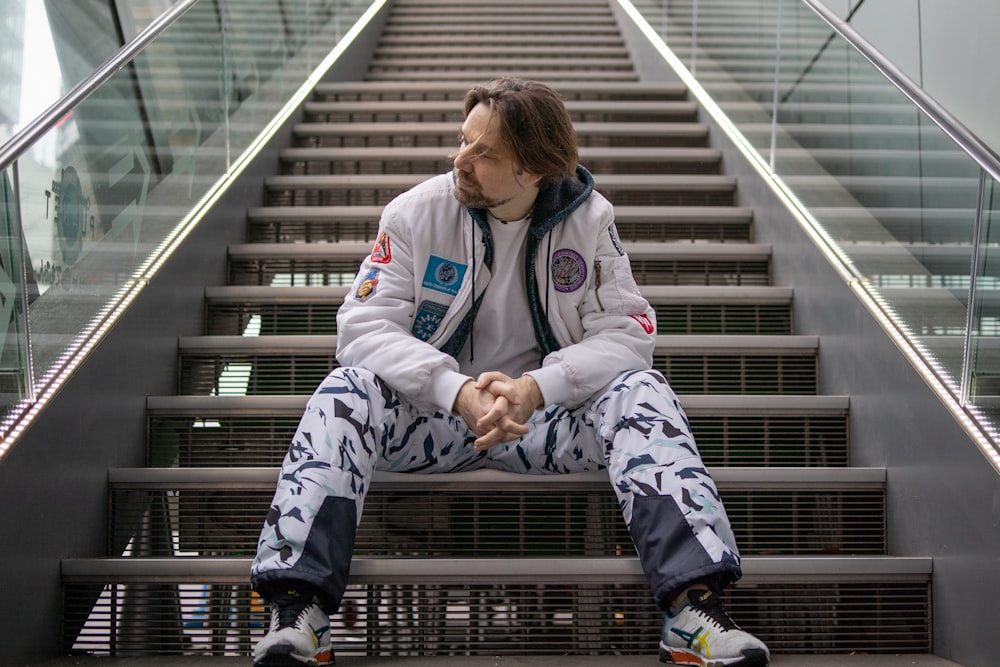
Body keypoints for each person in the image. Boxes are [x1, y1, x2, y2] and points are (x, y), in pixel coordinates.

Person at [250, 77, 770, 667]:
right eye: (462, 141)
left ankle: (692, 609)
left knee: (641, 392)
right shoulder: (415, 214)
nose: (460, 161)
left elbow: (628, 335)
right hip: (434, 424)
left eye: (483, 152)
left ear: (533, 170)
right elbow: (361, 330)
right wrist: (456, 392)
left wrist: (534, 389)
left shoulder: (589, 219)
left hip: (544, 425)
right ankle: (297, 611)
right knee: (345, 390)